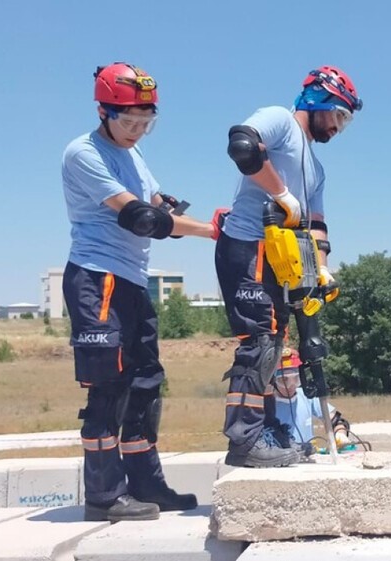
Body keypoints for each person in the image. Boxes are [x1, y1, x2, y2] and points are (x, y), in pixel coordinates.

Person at [62, 62, 215, 521]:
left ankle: (147, 483)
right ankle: (105, 495)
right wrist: (212, 231)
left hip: (132, 279)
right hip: (97, 277)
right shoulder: (83, 153)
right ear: (103, 111)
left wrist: (210, 227)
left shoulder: (135, 157)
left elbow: (157, 209)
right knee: (109, 385)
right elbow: (141, 219)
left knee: (146, 382)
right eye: (129, 122)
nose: (137, 131)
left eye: (146, 123)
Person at [217, 66, 362, 468]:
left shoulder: (316, 169)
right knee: (259, 343)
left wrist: (323, 269)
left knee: (276, 345)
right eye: (337, 115)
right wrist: (280, 191)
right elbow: (243, 145)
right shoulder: (280, 121)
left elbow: (317, 226)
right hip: (248, 244)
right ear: (318, 100)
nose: (337, 126)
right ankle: (244, 443)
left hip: (284, 259)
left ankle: (263, 433)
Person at [271, 347, 351, 454]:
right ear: (273, 381)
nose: (290, 385)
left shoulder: (307, 397)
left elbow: (336, 420)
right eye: (283, 380)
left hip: (308, 455)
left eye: (296, 379)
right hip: (282, 457)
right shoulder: (267, 405)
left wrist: (340, 434)